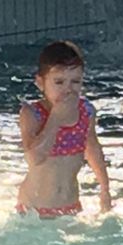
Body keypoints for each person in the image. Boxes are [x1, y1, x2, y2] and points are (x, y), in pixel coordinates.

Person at [17, 40, 111, 218]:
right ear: (41, 83)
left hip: (71, 207)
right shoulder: (32, 114)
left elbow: (92, 149)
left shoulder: (86, 112)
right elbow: (34, 158)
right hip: (34, 211)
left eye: (75, 81)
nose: (68, 89)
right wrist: (55, 119)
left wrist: (104, 188)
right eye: (59, 82)